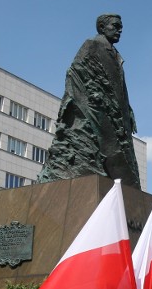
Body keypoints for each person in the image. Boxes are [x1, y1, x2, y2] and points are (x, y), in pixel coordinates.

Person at [38, 14, 141, 188]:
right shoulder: (92, 46)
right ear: (102, 27)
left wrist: (128, 110)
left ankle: (129, 193)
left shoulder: (115, 54)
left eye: (120, 27)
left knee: (126, 163)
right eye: (115, 26)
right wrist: (97, 95)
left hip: (119, 116)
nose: (119, 30)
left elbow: (120, 89)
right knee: (112, 154)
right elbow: (76, 72)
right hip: (98, 111)